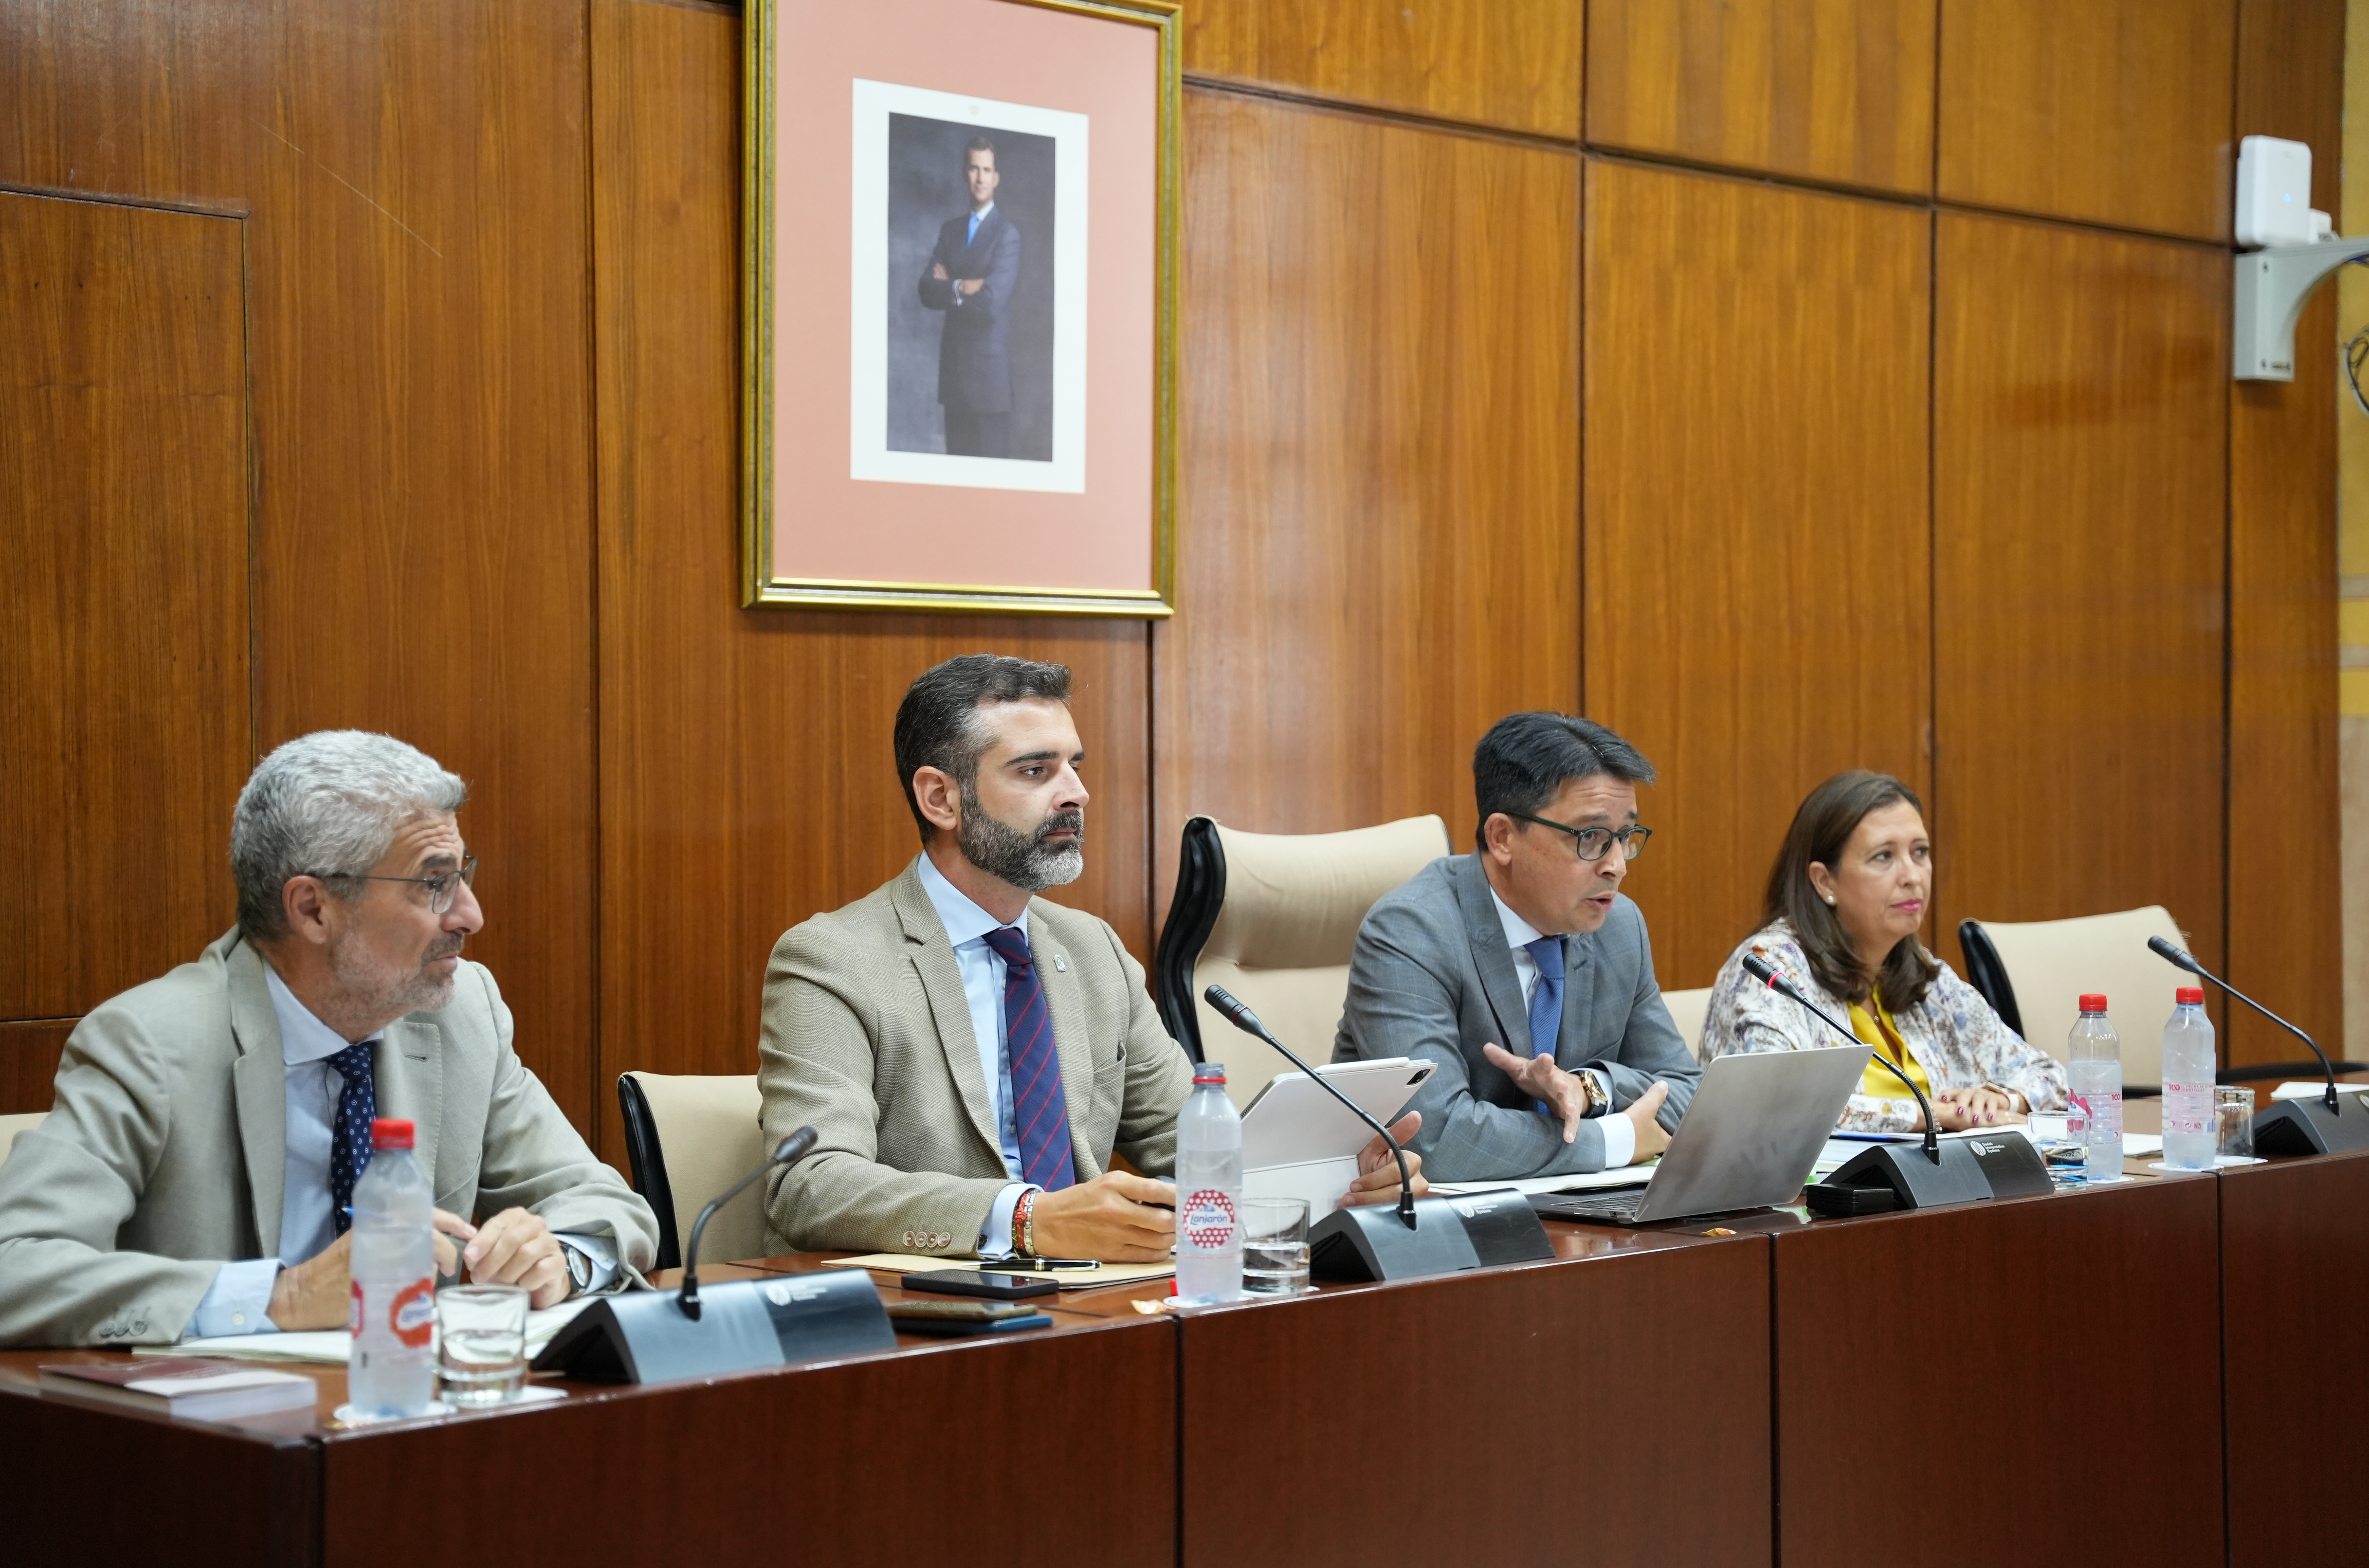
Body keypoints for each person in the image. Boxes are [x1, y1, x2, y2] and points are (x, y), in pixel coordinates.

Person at [0, 732, 657, 1348]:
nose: (470, 914)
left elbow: (607, 1205)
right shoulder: (149, 1044)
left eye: (463, 874)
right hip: (228, 1444)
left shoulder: (461, 1015)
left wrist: (562, 1258)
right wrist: (284, 1297)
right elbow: (15, 1266)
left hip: (421, 1419)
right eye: (434, 883)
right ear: (313, 908)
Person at [759, 654, 1425, 1261]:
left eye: (1075, 765)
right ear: (941, 798)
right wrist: (1026, 1219)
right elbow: (811, 1185)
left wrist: (1340, 1177)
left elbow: (1191, 1148)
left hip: (1093, 1304)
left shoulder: (1094, 951)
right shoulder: (833, 961)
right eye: (1035, 770)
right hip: (933, 1322)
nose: (1076, 793)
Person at [1332, 713, 1699, 1181]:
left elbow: (1689, 1094)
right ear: (1503, 837)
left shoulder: (1618, 926)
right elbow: (1438, 1139)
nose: (1617, 866)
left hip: (1574, 1223)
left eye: (1625, 837)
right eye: (1591, 837)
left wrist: (1592, 1089)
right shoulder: (1411, 931)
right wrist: (1617, 1138)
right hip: (1429, 1232)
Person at [1699, 770, 2068, 1133]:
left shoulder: (1922, 974)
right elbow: (1775, 1102)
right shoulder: (1770, 969)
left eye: (1920, 852)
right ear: (1825, 881)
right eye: (1884, 857)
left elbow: (2051, 1077)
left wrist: (1999, 1100)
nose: (1912, 876)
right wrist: (1934, 1115)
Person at [917, 135, 1021, 459]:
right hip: (955, 381)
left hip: (989, 387)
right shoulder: (950, 231)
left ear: (996, 178)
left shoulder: (1007, 235)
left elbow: (990, 303)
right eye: (974, 169)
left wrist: (950, 286)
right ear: (965, 173)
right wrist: (963, 286)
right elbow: (926, 289)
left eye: (986, 170)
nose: (980, 177)